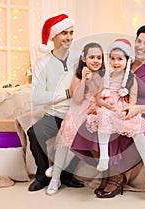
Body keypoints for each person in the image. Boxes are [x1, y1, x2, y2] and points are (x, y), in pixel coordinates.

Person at [71, 25, 145, 198]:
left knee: (121, 128)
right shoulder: (124, 61)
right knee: (90, 126)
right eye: (139, 41)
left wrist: (136, 108)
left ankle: (116, 176)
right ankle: (107, 169)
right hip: (116, 107)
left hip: (141, 112)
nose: (140, 46)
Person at [85, 38, 145, 185]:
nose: (116, 62)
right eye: (112, 59)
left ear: (127, 61)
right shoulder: (104, 78)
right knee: (104, 115)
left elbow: (132, 101)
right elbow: (98, 99)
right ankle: (104, 157)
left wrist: (129, 110)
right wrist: (104, 104)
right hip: (107, 107)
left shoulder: (132, 80)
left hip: (123, 107)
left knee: (136, 127)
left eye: (120, 59)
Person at [27, 14, 83, 192]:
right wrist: (67, 93)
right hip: (54, 115)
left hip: (76, 115)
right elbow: (37, 97)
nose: (69, 37)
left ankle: (66, 174)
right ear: (53, 36)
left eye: (71, 32)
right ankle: (42, 175)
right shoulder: (41, 63)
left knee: (92, 135)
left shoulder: (78, 58)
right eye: (64, 33)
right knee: (34, 133)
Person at [46, 42, 105, 195]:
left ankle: (56, 169)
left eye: (99, 57)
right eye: (92, 57)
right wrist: (84, 79)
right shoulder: (79, 75)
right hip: (79, 110)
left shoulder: (104, 76)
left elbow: (99, 96)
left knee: (83, 134)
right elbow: (77, 99)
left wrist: (93, 80)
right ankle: (55, 178)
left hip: (96, 111)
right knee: (67, 132)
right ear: (84, 59)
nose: (96, 60)